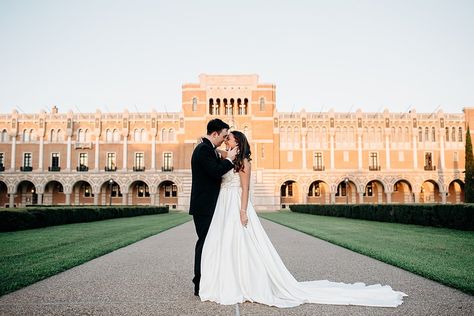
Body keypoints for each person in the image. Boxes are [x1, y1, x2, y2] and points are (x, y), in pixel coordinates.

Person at [199, 130, 407, 308]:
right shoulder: (228, 156)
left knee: (244, 242)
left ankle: (247, 281)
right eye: (226, 138)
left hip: (236, 203)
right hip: (223, 206)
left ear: (239, 142)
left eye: (230, 138)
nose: (227, 140)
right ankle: (228, 280)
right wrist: (210, 141)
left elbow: (245, 189)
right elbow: (210, 149)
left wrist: (243, 211)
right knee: (225, 242)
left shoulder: (244, 162)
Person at [189, 119, 238, 297]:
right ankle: (199, 283)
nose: (224, 140)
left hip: (208, 205)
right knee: (204, 244)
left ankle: (206, 281)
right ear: (215, 134)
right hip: (204, 206)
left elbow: (217, 158)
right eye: (224, 136)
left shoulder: (207, 148)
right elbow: (215, 171)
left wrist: (229, 154)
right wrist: (231, 160)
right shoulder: (203, 150)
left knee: (209, 243)